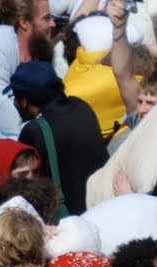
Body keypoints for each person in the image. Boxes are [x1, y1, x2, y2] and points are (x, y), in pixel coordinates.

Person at [12, 60, 106, 217]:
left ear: (24, 101)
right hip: (104, 205)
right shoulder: (82, 106)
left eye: (16, 98)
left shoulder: (34, 131)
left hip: (73, 220)